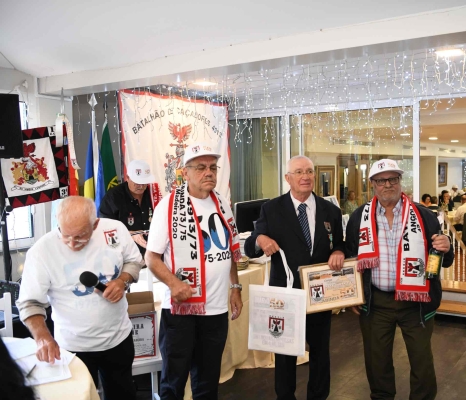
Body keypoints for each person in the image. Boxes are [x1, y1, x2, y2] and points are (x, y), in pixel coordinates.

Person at [344, 158, 453, 400]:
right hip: (376, 302)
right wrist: (353, 294)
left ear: (400, 181)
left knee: (421, 360)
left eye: (393, 179)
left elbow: (443, 258)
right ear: (372, 184)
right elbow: (351, 256)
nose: (387, 185)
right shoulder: (359, 217)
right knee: (377, 361)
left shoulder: (423, 215)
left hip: (416, 301)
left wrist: (447, 247)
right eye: (381, 181)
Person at [17, 196, 143, 399]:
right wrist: (42, 338)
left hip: (118, 338)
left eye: (80, 236)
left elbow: (134, 262)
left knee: (123, 394)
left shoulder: (116, 230)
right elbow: (30, 303)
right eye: (65, 235)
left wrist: (122, 281)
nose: (72, 243)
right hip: (72, 347)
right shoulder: (41, 251)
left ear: (95, 224)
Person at [145, 142, 243, 400]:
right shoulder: (168, 206)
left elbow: (230, 250)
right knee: (173, 382)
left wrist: (235, 287)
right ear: (185, 173)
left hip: (216, 310)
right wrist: (174, 284)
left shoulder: (222, 204)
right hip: (181, 311)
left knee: (208, 382)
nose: (208, 172)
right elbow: (151, 258)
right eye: (200, 167)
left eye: (213, 167)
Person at [244, 155, 344, 400]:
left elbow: (340, 244)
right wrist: (260, 239)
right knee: (285, 353)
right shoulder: (271, 209)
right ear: (287, 178)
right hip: (285, 296)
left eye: (309, 171)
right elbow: (250, 247)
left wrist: (340, 252)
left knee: (320, 352)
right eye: (299, 172)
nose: (305, 176)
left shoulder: (331, 210)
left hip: (319, 294)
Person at [99, 159, 156, 257]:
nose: (141, 186)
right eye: (137, 182)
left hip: (154, 251)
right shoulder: (113, 197)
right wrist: (131, 234)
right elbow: (105, 228)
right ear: (128, 177)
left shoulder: (153, 193)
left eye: (144, 182)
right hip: (125, 254)